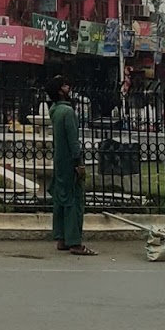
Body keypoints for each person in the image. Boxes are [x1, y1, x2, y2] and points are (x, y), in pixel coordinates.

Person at [48, 75, 93, 256]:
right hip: (69, 161)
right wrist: (79, 163)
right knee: (74, 201)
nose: (69, 87)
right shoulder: (68, 112)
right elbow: (73, 141)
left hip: (59, 160)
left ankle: (61, 238)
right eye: (65, 85)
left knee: (61, 199)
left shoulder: (54, 110)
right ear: (60, 90)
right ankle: (75, 242)